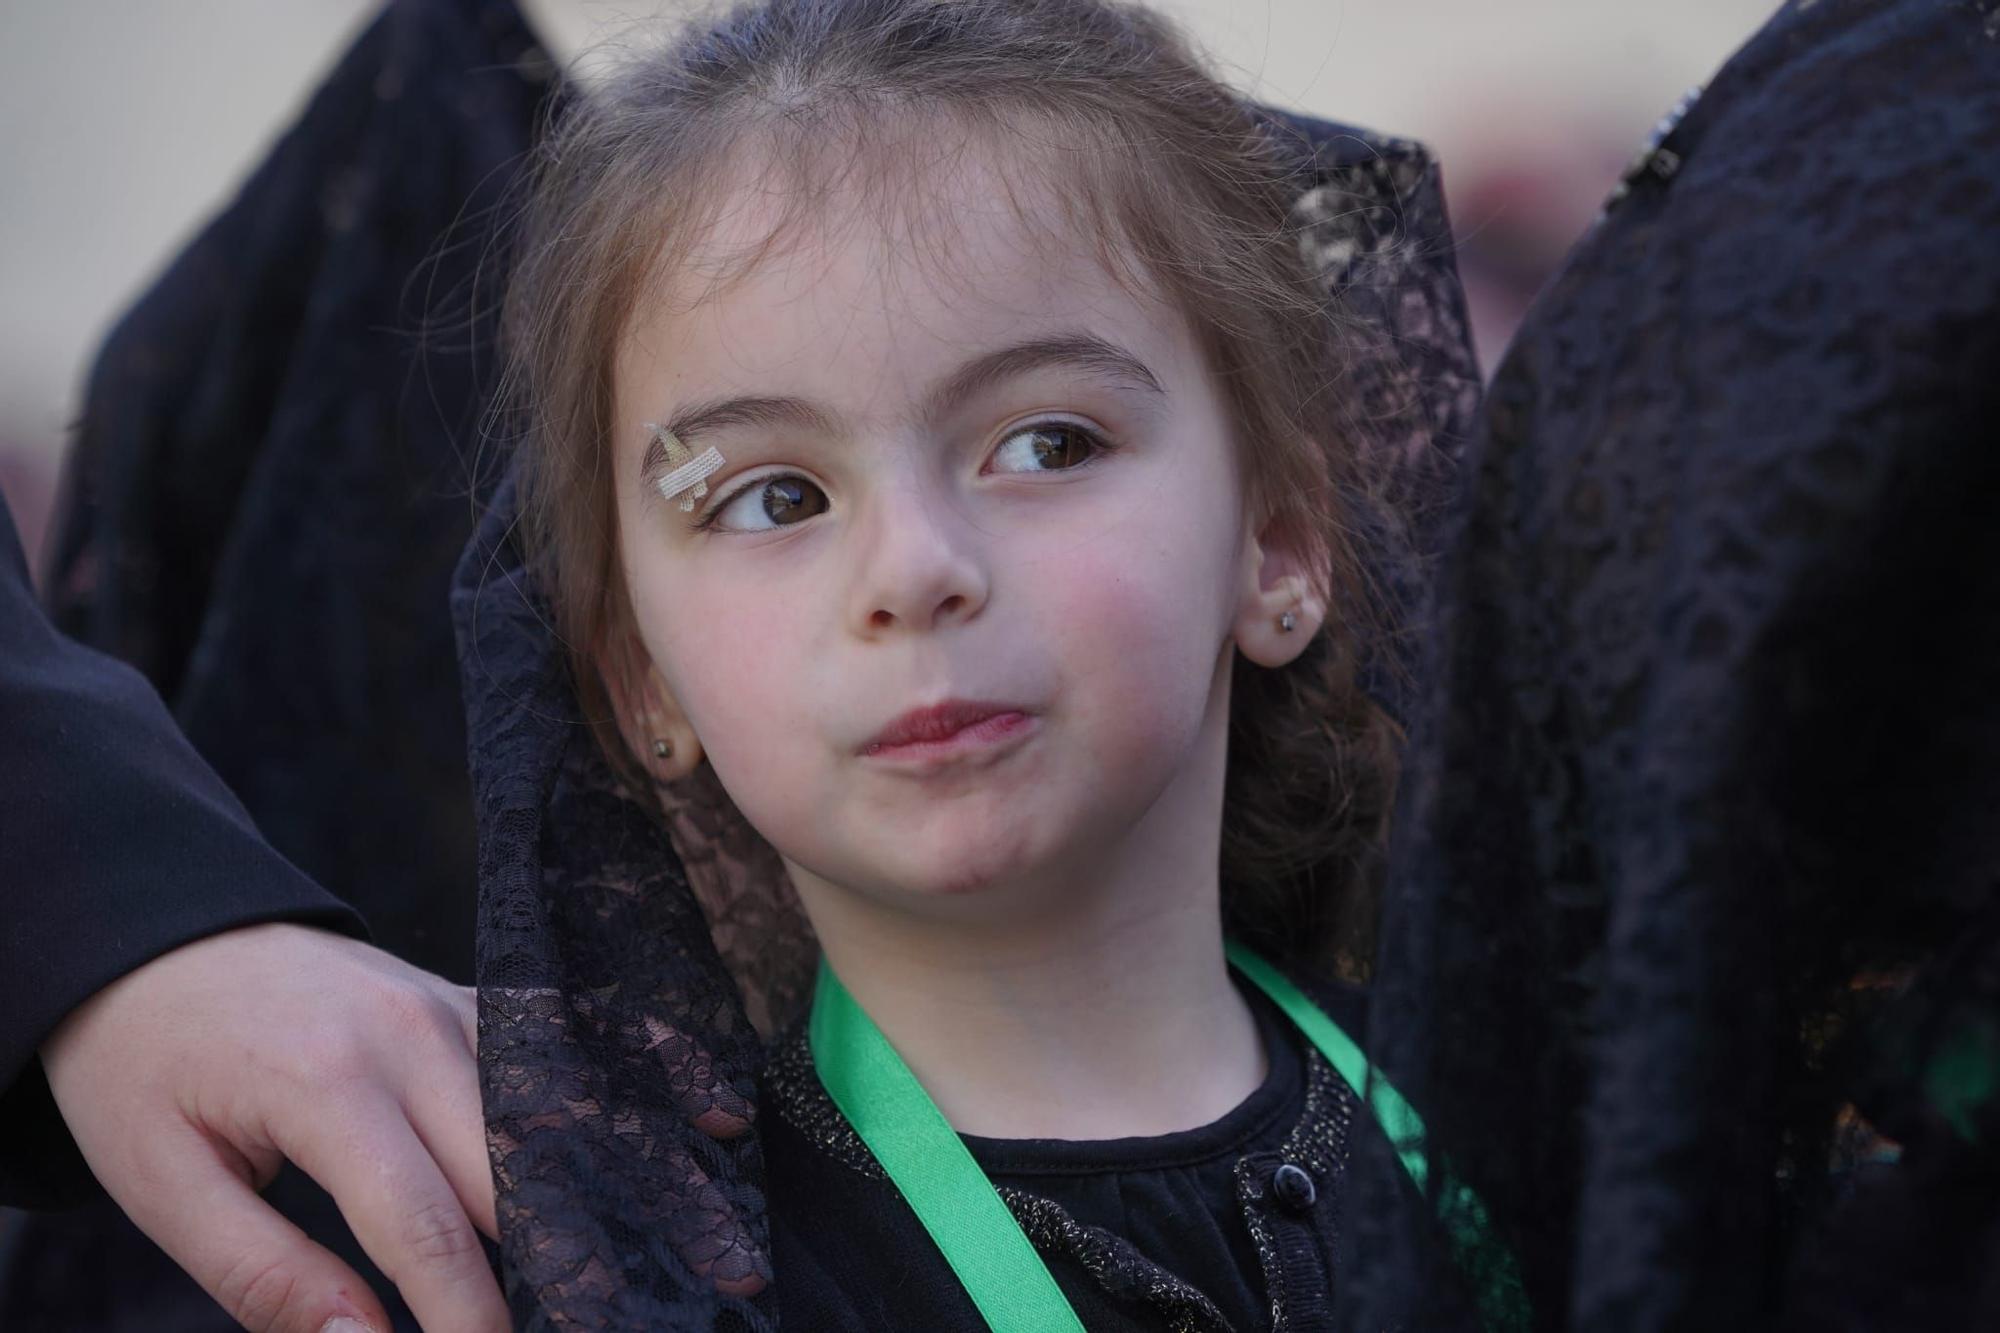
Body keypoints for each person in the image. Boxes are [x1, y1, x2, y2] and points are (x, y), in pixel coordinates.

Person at [452, 0, 1485, 1327]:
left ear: (1276, 545)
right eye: (773, 498)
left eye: (1046, 442)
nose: (912, 570)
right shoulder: (669, 1287)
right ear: (641, 675)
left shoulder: (1548, 1141)